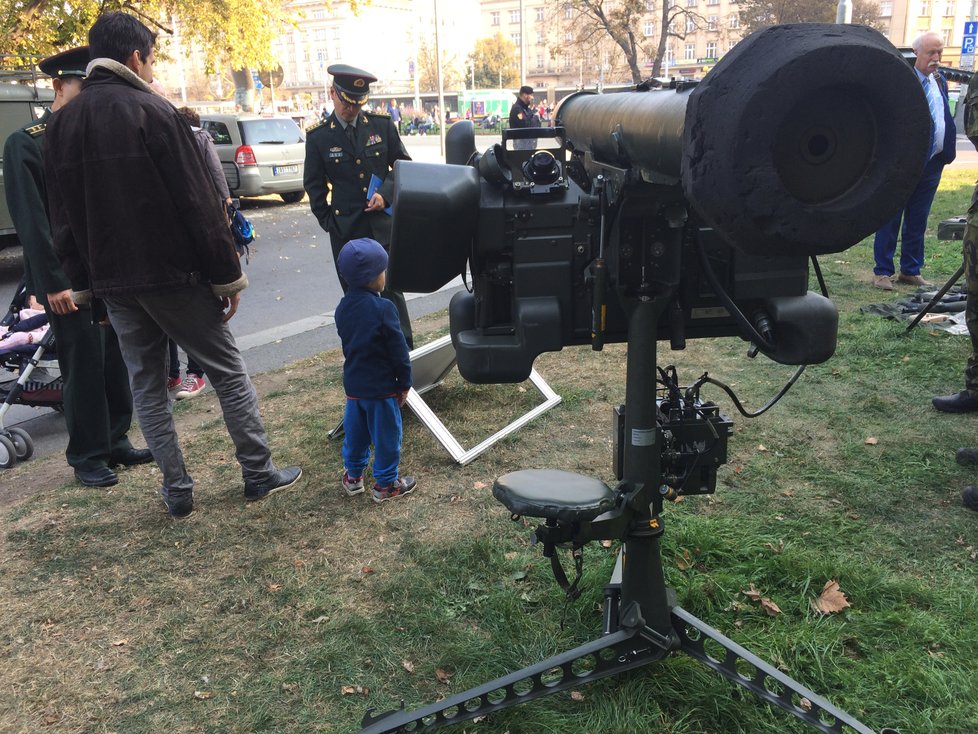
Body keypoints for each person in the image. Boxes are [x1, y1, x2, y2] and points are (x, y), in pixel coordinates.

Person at [43, 12, 301, 519]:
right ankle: (257, 472)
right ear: (136, 57)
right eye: (153, 58)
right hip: (172, 276)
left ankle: (177, 490)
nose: (154, 68)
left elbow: (63, 220)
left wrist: (86, 287)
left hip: (115, 283)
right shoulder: (153, 111)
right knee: (227, 371)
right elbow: (199, 204)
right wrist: (226, 275)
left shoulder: (63, 124)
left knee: (147, 386)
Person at [2, 46, 151, 488]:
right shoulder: (27, 143)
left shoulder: (94, 135)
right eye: (80, 86)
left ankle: (115, 438)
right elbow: (33, 223)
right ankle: (87, 453)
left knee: (114, 357)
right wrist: (52, 282)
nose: (89, 96)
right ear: (57, 86)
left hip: (108, 270)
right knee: (82, 360)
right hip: (67, 278)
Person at [303, 63, 414, 348]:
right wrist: (329, 222)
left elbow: (402, 165)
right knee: (356, 297)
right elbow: (314, 185)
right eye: (346, 102)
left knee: (390, 293)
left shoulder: (381, 125)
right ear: (333, 94)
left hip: (380, 229)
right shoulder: (319, 137)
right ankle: (365, 353)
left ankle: (404, 354)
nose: (351, 109)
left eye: (357, 104)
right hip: (346, 230)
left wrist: (386, 195)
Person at [871, 31, 956, 291]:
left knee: (918, 219)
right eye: (931, 52)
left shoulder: (938, 81)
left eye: (939, 52)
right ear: (916, 53)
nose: (936, 58)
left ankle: (911, 270)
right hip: (904, 163)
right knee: (890, 216)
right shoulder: (903, 82)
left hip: (932, 162)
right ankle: (882, 272)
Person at [334, 238, 416, 503]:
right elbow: (399, 351)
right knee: (387, 437)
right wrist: (404, 383)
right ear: (373, 277)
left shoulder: (342, 308)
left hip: (355, 389)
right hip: (382, 390)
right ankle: (386, 484)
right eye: (383, 270)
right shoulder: (384, 309)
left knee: (355, 435)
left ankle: (354, 476)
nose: (385, 275)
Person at [165, 105, 235, 400]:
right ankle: (186, 373)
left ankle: (182, 373)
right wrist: (227, 202)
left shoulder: (191, 140)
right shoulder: (195, 140)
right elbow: (218, 179)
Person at [508, 85, 541, 150]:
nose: (532, 97)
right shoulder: (517, 109)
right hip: (522, 146)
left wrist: (534, 118)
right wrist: (535, 117)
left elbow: (538, 125)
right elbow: (525, 125)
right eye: (531, 95)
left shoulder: (526, 109)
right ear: (524, 95)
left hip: (529, 143)